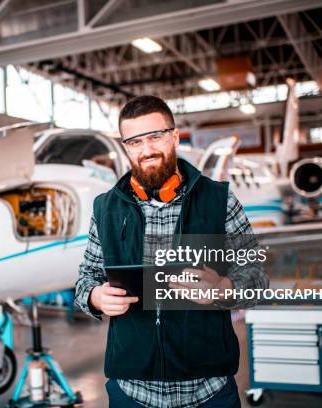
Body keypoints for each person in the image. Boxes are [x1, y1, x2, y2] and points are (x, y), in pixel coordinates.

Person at [74, 95, 268, 407]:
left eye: (155, 137)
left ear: (175, 136)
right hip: (132, 392)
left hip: (209, 391)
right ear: (126, 147)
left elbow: (256, 277)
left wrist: (223, 288)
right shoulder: (105, 208)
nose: (146, 150)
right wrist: (96, 297)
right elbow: (86, 279)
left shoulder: (220, 201)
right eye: (135, 141)